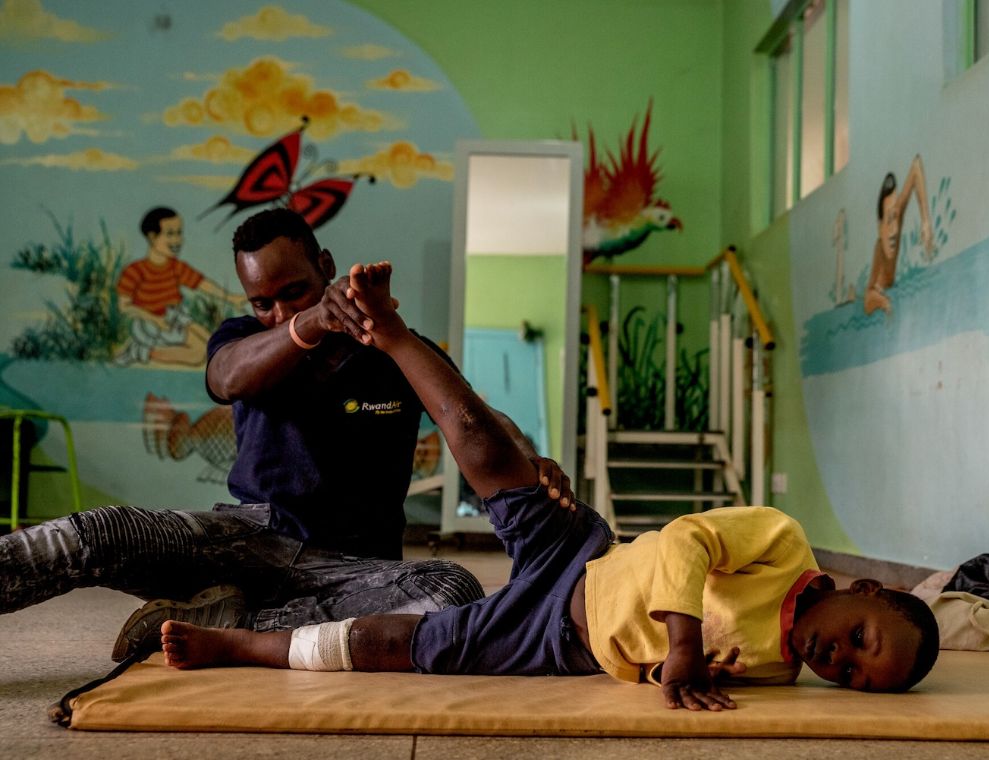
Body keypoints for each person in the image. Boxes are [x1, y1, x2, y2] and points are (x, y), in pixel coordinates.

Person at [160, 261, 941, 710]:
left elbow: (662, 667)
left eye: (851, 676)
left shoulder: (782, 668)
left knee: (394, 646)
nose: (838, 659)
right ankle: (392, 333)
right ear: (866, 588)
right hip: (585, 558)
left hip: (556, 643)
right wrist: (685, 650)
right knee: (481, 443)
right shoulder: (785, 542)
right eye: (859, 640)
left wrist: (665, 670)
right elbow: (688, 541)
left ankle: (241, 645)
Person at [0, 208, 571, 663]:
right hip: (246, 538)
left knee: (451, 593)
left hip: (353, 568)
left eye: (293, 292)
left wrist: (532, 461)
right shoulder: (242, 338)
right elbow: (226, 379)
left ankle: (237, 623)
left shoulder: (396, 347)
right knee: (95, 533)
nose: (276, 312)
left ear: (325, 264)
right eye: (262, 302)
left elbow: (478, 416)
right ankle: (235, 609)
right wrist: (308, 320)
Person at [115, 206, 246, 366]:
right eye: (170, 234)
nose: (177, 240)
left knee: (211, 341)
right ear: (152, 237)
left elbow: (202, 284)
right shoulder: (134, 271)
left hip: (175, 317)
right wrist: (155, 319)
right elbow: (125, 306)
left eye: (179, 233)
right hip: (150, 323)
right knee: (198, 355)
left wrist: (232, 298)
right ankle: (140, 351)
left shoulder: (175, 266)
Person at [863, 155, 937, 316]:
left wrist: (925, 220)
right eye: (888, 220)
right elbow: (867, 301)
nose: (894, 230)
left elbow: (916, 167)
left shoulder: (897, 216)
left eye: (896, 216)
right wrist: (882, 301)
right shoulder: (879, 250)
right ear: (879, 226)